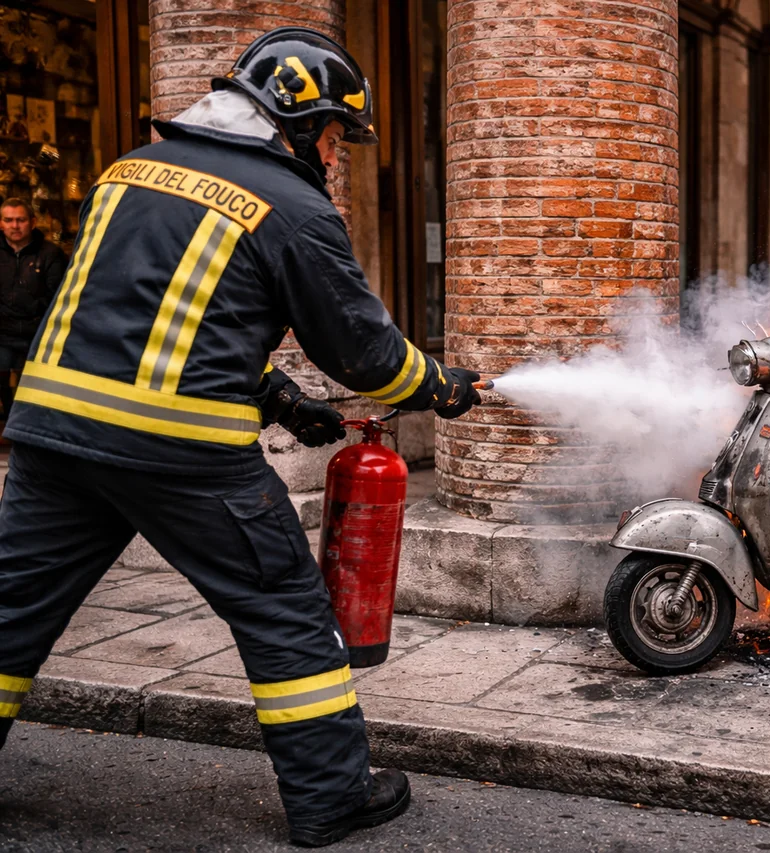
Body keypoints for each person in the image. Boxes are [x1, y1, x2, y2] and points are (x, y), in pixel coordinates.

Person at [0, 27, 481, 848]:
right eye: (332, 137)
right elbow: (364, 352)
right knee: (285, 609)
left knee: (11, 608)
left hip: (52, 437)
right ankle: (333, 795)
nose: (333, 158)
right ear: (293, 119)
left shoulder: (125, 173)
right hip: (181, 454)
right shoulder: (293, 206)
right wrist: (437, 387)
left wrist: (283, 399)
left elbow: (148, 320)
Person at [0, 198, 67, 422]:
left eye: (20, 220)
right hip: (2, 332)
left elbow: (57, 295)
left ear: (33, 222)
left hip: (36, 332)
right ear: (1, 224)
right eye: (8, 220)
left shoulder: (50, 254)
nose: (14, 226)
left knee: (30, 389)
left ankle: (25, 429)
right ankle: (8, 425)